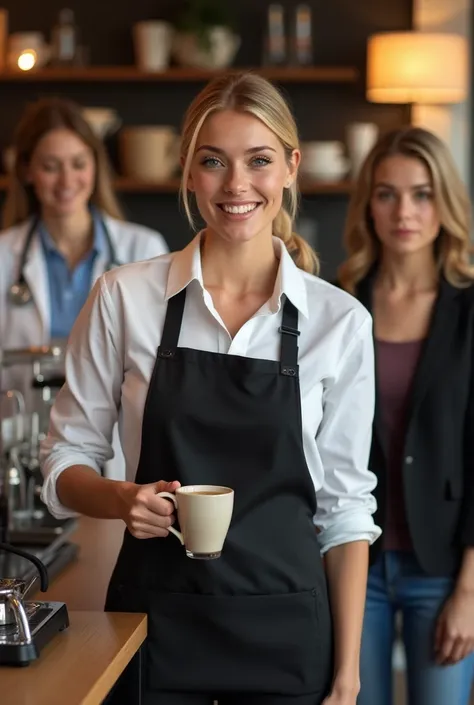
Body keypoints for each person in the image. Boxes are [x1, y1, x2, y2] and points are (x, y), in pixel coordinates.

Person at [40, 72, 381, 705]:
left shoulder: (339, 323)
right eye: (214, 161)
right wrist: (119, 499)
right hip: (152, 631)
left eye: (259, 160)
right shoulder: (124, 297)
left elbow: (346, 512)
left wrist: (348, 676)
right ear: (188, 171)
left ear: (291, 168)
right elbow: (63, 461)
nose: (236, 186)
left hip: (288, 638)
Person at [337, 126, 474, 705]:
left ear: (445, 202)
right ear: (368, 203)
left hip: (443, 569)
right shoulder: (338, 303)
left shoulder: (469, 309)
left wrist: (469, 591)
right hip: (352, 563)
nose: (405, 212)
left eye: (422, 194)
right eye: (387, 193)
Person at [0, 97, 168, 477]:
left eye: (78, 164)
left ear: (95, 167)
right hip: (17, 456)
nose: (66, 181)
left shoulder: (143, 250)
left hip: (115, 459)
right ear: (26, 171)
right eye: (50, 166)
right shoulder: (3, 257)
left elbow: (159, 367)